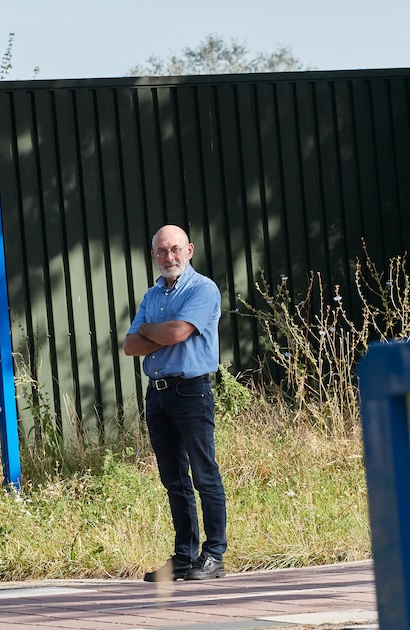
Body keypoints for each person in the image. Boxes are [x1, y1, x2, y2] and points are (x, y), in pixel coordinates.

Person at [124, 225, 227, 582]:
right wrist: (159, 332)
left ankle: (214, 555)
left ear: (190, 250)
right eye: (162, 251)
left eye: (175, 249)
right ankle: (184, 557)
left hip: (191, 390)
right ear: (154, 256)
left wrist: (152, 332)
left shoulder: (203, 289)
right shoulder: (152, 295)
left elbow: (178, 333)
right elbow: (129, 346)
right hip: (158, 392)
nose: (170, 257)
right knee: (173, 480)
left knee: (204, 475)